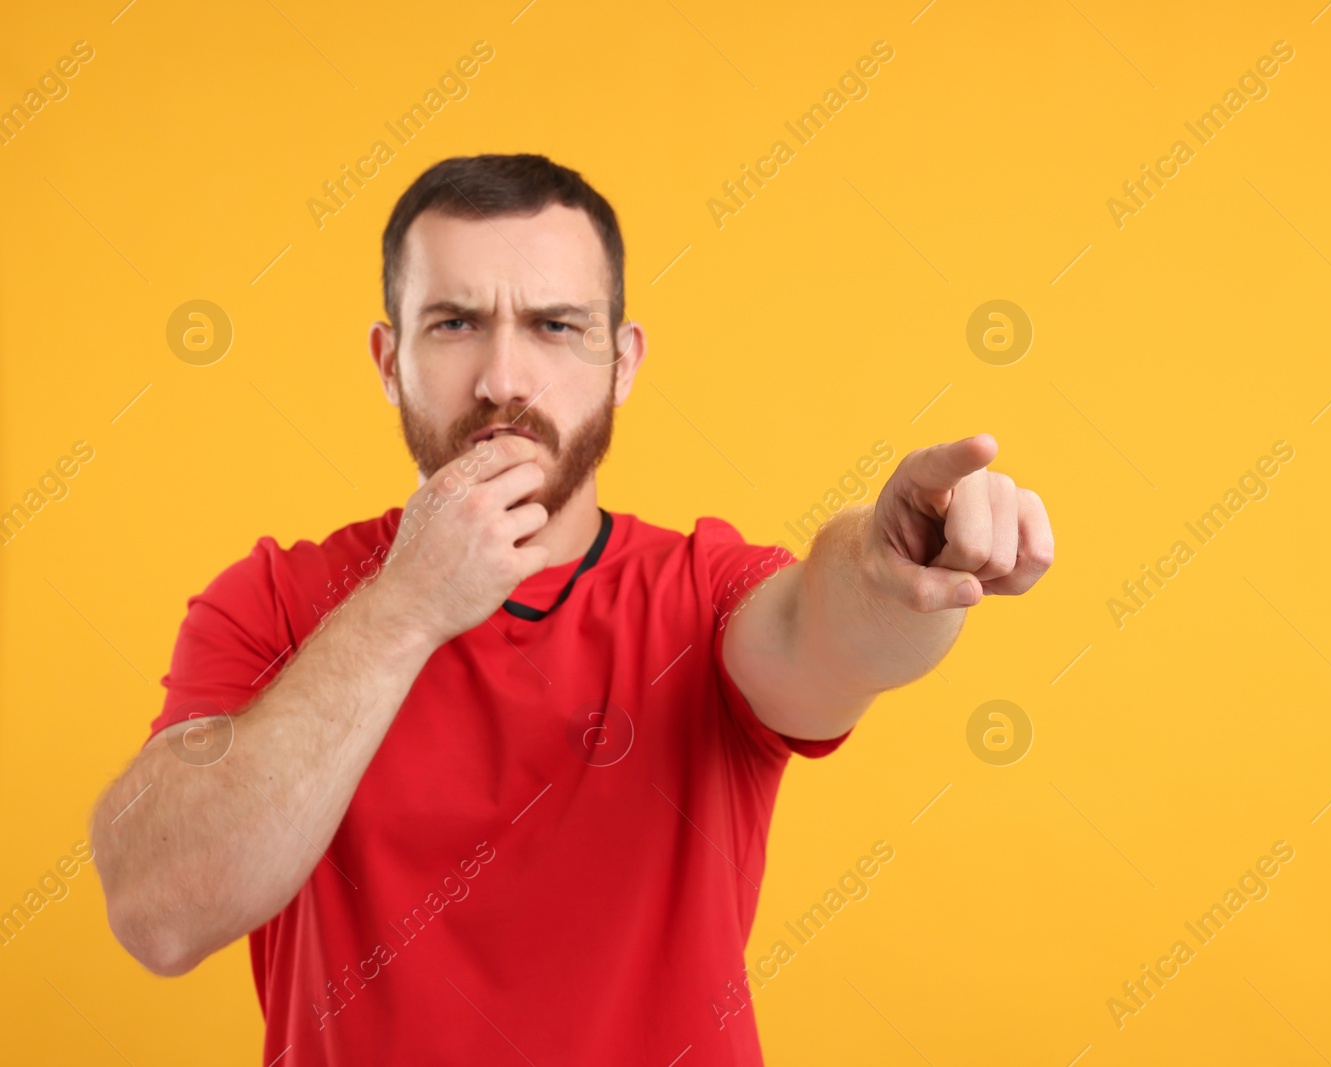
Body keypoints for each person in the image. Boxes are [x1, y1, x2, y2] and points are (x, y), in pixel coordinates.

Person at [89, 153, 1053, 1066]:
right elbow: (161, 910)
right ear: (388, 359)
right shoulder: (270, 600)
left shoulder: (701, 593)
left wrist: (893, 560)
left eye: (555, 326)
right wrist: (408, 607)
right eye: (455, 323)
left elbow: (832, 628)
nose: (504, 379)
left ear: (623, 360)